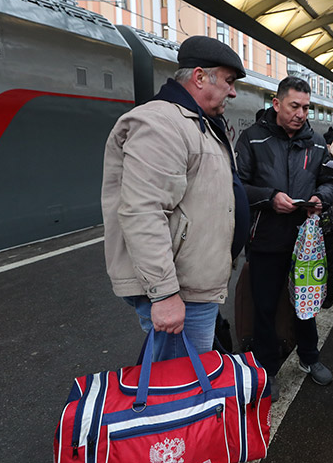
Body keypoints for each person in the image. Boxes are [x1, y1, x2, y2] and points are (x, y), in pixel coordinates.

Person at [101, 35, 249, 360]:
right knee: (179, 389)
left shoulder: (196, 122)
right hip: (180, 288)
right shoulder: (161, 124)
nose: (234, 91)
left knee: (180, 369)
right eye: (228, 81)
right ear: (199, 77)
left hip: (194, 283)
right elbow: (143, 210)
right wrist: (165, 293)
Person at [235, 76, 333, 388]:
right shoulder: (252, 139)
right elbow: (237, 186)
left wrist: (322, 197)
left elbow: (331, 181)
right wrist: (270, 198)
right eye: (295, 106)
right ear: (277, 104)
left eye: (306, 107)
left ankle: (309, 356)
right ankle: (268, 371)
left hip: (305, 240)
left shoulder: (317, 143)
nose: (301, 113)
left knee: (305, 304)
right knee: (265, 307)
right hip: (266, 239)